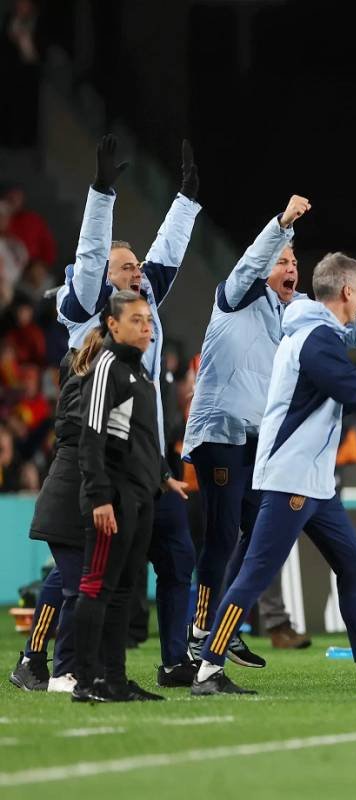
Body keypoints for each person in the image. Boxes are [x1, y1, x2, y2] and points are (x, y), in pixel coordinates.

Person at [191, 253, 356, 696]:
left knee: (353, 562)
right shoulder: (316, 340)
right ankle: (207, 669)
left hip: (312, 479)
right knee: (254, 573)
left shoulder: (318, 330)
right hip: (292, 476)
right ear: (347, 292)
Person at [185, 195, 356, 674]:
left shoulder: (292, 314)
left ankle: (220, 635)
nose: (290, 267)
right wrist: (280, 224)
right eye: (282, 260)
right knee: (223, 537)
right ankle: (200, 637)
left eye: (295, 260)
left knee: (255, 541)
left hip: (259, 441)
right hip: (220, 429)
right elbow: (252, 262)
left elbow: (348, 326)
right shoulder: (235, 295)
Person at [55, 135, 199, 684]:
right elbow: (90, 258)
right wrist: (101, 194)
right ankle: (68, 668)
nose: (138, 271)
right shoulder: (85, 309)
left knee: (169, 563)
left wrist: (185, 201)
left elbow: (166, 256)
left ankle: (168, 663)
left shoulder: (144, 309)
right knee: (85, 577)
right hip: (101, 470)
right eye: (127, 267)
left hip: (148, 468)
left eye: (137, 266)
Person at [72, 292, 188, 702]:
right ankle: (85, 681)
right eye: (136, 320)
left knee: (124, 591)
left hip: (140, 497)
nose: (145, 327)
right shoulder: (107, 366)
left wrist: (162, 475)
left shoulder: (138, 372)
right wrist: (101, 498)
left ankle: (114, 680)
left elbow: (138, 435)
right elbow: (91, 438)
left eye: (148, 321)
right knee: (97, 587)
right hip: (114, 499)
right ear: (112, 324)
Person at [9, 351, 86, 693]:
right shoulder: (82, 370)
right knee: (77, 585)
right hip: (67, 501)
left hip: (79, 498)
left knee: (65, 578)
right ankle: (59, 666)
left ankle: (35, 660)